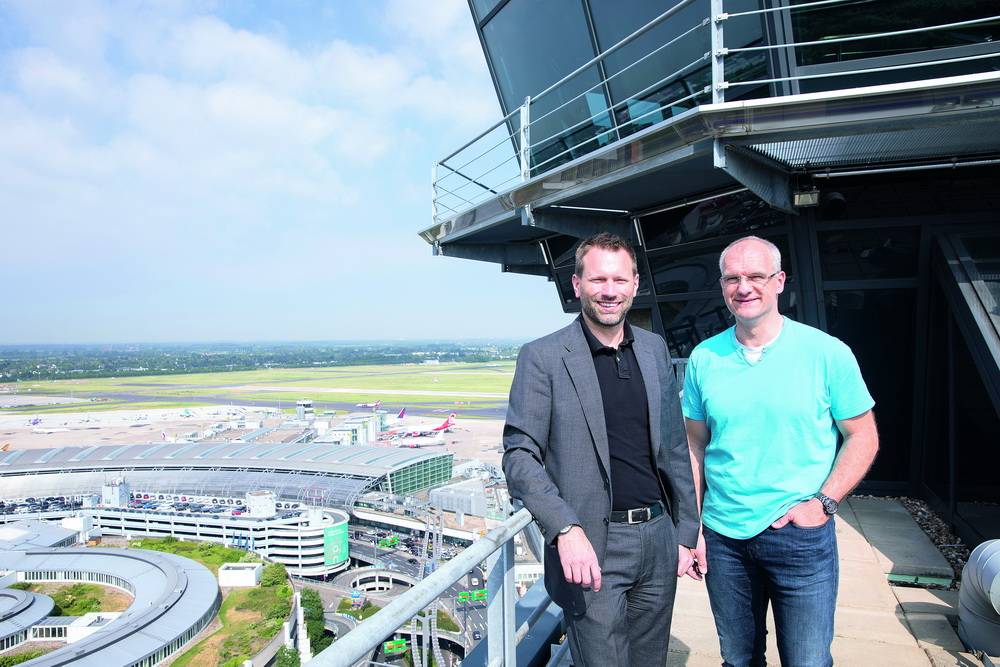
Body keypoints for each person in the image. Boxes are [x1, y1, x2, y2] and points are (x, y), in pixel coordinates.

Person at [502, 232, 700, 667]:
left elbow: (672, 448)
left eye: (619, 280)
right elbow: (519, 455)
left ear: (634, 285)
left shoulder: (653, 349)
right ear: (577, 286)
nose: (609, 291)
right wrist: (565, 529)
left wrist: (685, 534)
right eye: (597, 280)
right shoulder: (544, 357)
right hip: (592, 546)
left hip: (658, 537)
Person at [682, 235, 880, 667]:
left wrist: (823, 503)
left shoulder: (827, 353)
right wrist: (692, 527)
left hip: (799, 536)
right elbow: (695, 445)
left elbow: (863, 436)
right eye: (733, 278)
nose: (744, 287)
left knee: (807, 662)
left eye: (756, 276)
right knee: (738, 660)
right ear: (722, 286)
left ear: (779, 282)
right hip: (723, 538)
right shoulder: (704, 358)